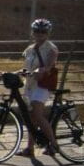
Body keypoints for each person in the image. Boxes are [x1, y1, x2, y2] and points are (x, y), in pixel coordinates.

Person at [19, 18, 59, 157]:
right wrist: (15, 72)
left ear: (48, 33)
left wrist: (42, 70)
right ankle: (30, 148)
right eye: (37, 31)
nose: (40, 34)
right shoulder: (29, 49)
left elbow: (49, 66)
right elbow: (26, 67)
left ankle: (54, 144)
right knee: (31, 118)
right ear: (33, 32)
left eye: (43, 31)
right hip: (30, 85)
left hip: (42, 85)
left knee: (37, 114)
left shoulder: (51, 49)